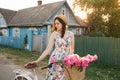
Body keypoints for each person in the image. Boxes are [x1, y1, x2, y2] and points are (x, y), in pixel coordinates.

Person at [25, 14, 75, 80]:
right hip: (55, 62)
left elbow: (72, 50)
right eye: (55, 24)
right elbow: (48, 50)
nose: (56, 25)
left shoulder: (70, 34)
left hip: (65, 63)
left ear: (63, 23)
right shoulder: (54, 34)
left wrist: (69, 59)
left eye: (58, 23)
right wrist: (37, 61)